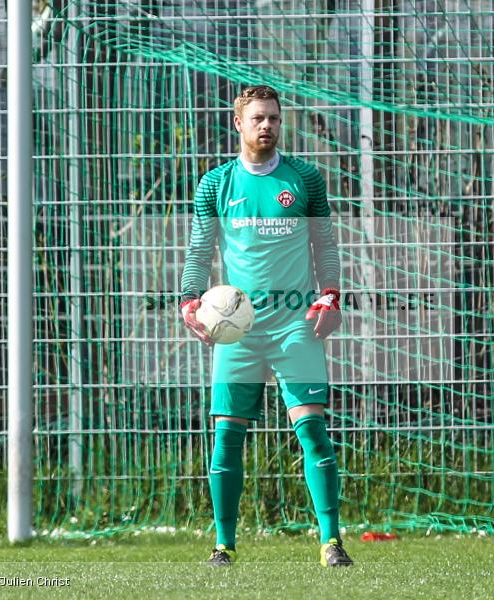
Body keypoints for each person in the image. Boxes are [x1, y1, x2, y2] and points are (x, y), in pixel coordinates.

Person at [179, 85, 352, 567]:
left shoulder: (305, 179)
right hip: (238, 329)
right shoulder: (216, 184)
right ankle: (223, 544)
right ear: (239, 123)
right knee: (226, 436)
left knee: (312, 429)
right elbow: (199, 250)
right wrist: (190, 300)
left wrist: (330, 295)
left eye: (274, 118)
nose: (267, 126)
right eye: (257, 118)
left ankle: (331, 541)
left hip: (296, 324)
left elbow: (325, 244)